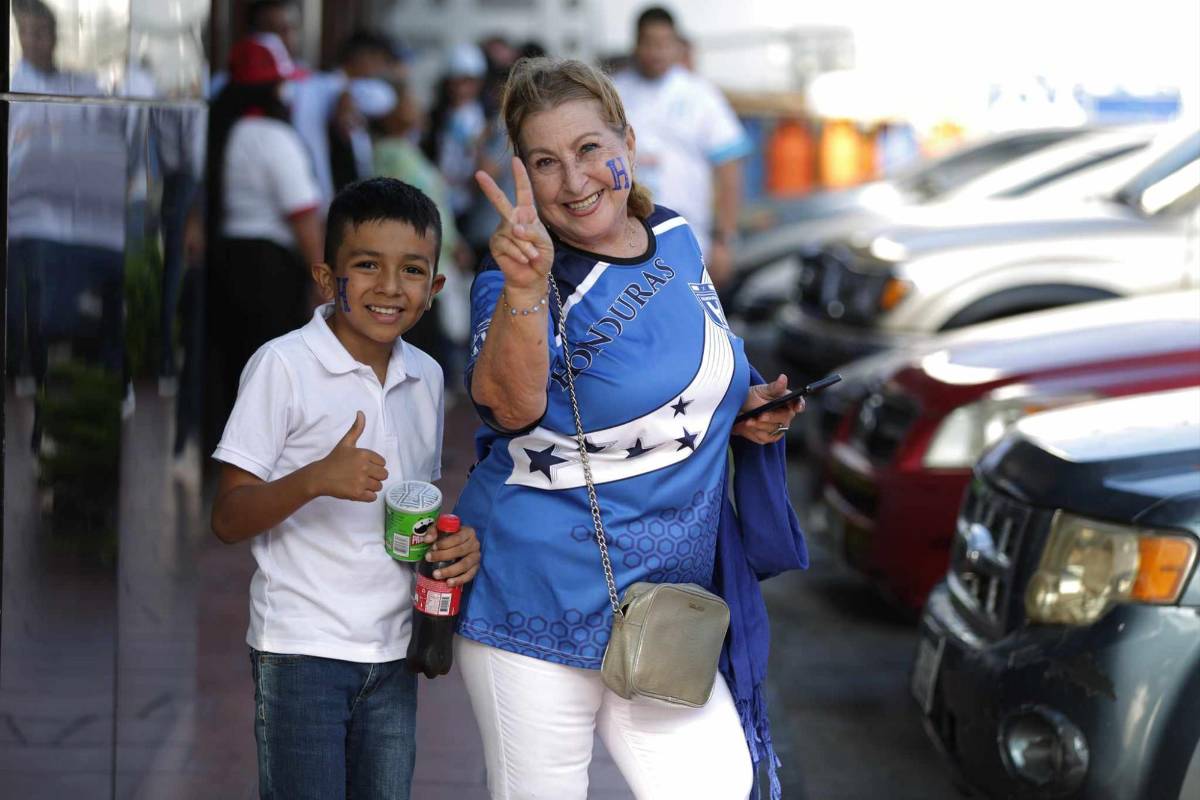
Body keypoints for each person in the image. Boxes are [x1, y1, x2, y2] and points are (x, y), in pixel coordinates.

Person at [453, 57, 807, 799]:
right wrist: (523, 288)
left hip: (660, 618)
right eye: (545, 162)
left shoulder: (675, 237)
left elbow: (694, 370)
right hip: (536, 607)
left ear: (629, 142)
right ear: (522, 174)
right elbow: (508, 407)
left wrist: (742, 416)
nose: (573, 180)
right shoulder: (520, 280)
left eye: (588, 149)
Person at [210, 177, 482, 799]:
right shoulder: (283, 365)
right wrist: (313, 480)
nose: (390, 287)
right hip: (301, 650)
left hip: (394, 653)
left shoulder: (427, 375)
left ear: (435, 287)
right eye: (367, 266)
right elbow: (226, 516)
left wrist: (446, 549)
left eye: (412, 269)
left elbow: (414, 506)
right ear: (329, 277)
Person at [205, 32, 324, 449]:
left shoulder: (220, 133)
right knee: (270, 377)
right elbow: (303, 216)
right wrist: (322, 277)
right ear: (274, 88)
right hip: (268, 271)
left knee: (233, 370)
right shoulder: (273, 137)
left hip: (223, 261)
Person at [612, 6, 752, 287]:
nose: (657, 52)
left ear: (677, 46)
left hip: (688, 239)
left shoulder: (700, 95)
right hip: (621, 240)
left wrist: (724, 240)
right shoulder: (613, 93)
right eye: (649, 43)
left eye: (664, 43)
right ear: (636, 45)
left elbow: (729, 169)